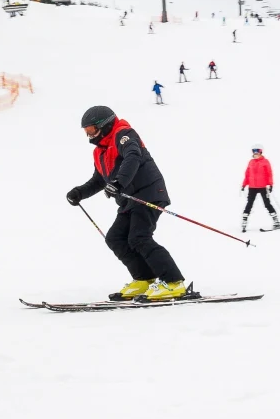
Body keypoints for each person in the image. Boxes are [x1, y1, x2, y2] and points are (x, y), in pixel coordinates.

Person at [65, 106, 189, 300]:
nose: (89, 135)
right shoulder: (100, 152)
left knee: (139, 237)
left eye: (91, 130)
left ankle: (174, 282)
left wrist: (118, 183)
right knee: (115, 238)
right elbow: (99, 180)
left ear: (105, 125)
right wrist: (79, 193)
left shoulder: (123, 134)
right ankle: (144, 278)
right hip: (129, 200)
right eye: (86, 131)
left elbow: (133, 156)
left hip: (148, 193)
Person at [240, 145, 280, 232]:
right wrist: (244, 184)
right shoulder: (251, 162)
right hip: (252, 187)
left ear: (261, 152)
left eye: (257, 152)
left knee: (267, 204)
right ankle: (244, 223)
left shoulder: (265, 162)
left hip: (263, 186)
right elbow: (247, 174)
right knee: (249, 204)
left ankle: (276, 222)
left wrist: (270, 184)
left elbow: (269, 173)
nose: (255, 154)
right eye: (254, 152)